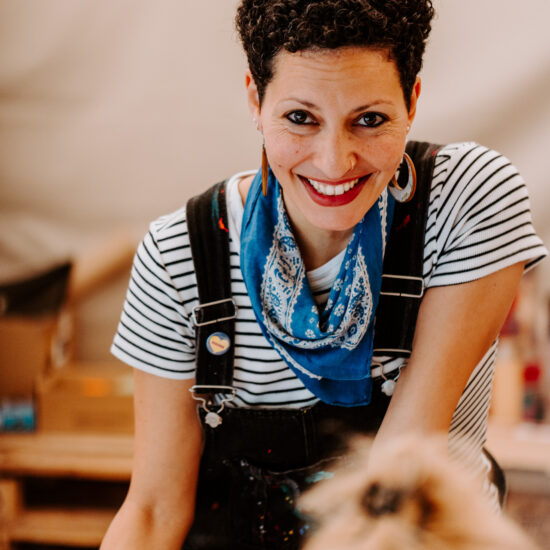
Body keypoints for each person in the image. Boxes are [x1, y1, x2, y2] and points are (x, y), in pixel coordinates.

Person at [100, 1, 547, 549]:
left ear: (412, 102)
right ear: (254, 100)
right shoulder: (180, 255)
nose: (335, 162)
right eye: (300, 118)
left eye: (370, 119)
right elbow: (152, 510)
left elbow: (395, 480)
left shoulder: (466, 200)